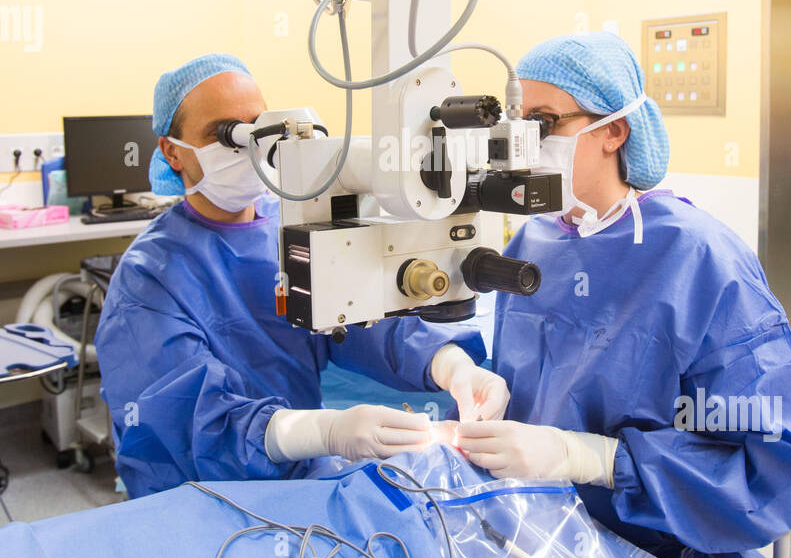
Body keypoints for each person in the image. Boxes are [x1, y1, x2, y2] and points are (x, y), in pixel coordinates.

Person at [454, 31, 791, 558]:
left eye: (542, 123)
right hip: (541, 536)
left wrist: (593, 457)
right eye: (517, 121)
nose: (522, 141)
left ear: (611, 130)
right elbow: (528, 374)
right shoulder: (534, 241)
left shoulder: (697, 257)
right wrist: (484, 386)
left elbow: (780, 455)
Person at [96, 54, 506, 498]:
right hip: (198, 492)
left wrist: (451, 366)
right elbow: (187, 421)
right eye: (224, 134)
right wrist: (323, 432)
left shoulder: (294, 228)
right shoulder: (148, 278)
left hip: (300, 474)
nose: (248, 145)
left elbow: (356, 318)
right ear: (171, 151)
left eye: (257, 126)